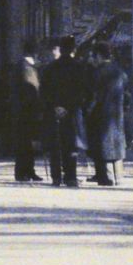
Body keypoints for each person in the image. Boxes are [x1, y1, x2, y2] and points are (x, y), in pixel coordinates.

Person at [39, 38, 92, 187]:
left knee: (55, 144)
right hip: (72, 112)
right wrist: (68, 107)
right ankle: (70, 177)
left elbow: (43, 91)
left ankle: (56, 177)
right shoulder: (79, 68)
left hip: (53, 112)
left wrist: (55, 107)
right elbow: (83, 91)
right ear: (73, 50)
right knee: (71, 145)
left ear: (60, 49)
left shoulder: (49, 68)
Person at [88, 50, 128, 186]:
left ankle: (106, 177)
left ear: (99, 55)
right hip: (116, 115)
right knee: (116, 145)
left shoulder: (97, 73)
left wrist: (88, 110)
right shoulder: (119, 71)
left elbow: (92, 95)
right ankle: (119, 176)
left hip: (99, 113)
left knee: (102, 145)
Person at [10, 45, 44, 182]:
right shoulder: (26, 68)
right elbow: (31, 90)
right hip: (26, 112)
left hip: (25, 111)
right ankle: (22, 172)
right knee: (24, 143)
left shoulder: (25, 67)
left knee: (28, 143)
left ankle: (29, 170)